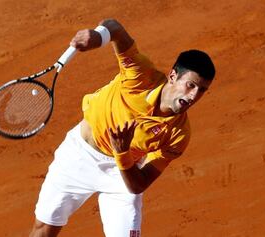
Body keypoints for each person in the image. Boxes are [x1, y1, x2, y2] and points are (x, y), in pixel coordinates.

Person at [29, 18, 215, 237]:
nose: (193, 96)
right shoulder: (140, 75)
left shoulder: (178, 134)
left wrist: (122, 152)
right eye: (190, 85)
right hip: (79, 156)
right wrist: (98, 37)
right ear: (173, 76)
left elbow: (138, 185)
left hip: (122, 174)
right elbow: (115, 28)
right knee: (43, 230)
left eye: (201, 90)